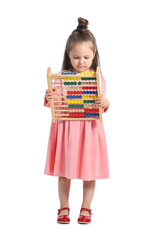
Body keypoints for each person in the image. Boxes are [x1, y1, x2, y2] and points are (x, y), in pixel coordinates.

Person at [44, 17, 110, 224]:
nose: (81, 62)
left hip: (89, 130)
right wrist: (50, 97)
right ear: (68, 56)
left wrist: (104, 101)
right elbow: (56, 102)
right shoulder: (62, 77)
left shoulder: (97, 78)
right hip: (67, 130)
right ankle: (63, 207)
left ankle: (86, 207)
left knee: (89, 171)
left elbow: (102, 105)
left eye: (86, 57)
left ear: (94, 55)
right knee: (64, 172)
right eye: (76, 57)